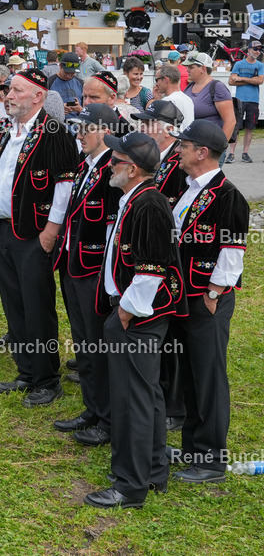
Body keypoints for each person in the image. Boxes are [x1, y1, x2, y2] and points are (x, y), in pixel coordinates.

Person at [84, 131, 185, 510]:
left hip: (137, 316)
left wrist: (125, 312)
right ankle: (154, 469)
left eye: (114, 161)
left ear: (131, 168)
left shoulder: (149, 205)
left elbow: (152, 268)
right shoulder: (135, 198)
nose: (109, 166)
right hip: (130, 311)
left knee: (132, 400)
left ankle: (130, 485)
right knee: (146, 395)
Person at [0, 69, 77, 407]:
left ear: (38, 97)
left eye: (16, 90)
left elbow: (64, 185)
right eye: (7, 90)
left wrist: (50, 231)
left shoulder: (54, 131)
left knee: (37, 307)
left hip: (34, 233)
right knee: (14, 305)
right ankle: (26, 370)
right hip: (4, 229)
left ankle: (47, 379)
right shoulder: (8, 130)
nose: (8, 95)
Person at [168, 120, 249, 484]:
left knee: (209, 378)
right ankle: (192, 448)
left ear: (202, 152)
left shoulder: (227, 195)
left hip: (206, 300)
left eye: (184, 145)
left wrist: (214, 293)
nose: (178, 150)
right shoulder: (189, 188)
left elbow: (232, 252)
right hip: (185, 296)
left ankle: (212, 459)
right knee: (189, 374)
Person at [52, 104, 123, 447]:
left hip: (94, 271)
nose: (78, 135)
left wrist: (110, 279)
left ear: (104, 132)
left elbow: (113, 230)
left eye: (85, 129)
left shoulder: (113, 169)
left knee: (98, 346)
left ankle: (108, 420)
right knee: (84, 343)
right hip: (72, 263)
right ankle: (92, 410)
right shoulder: (86, 164)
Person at [131, 99, 188, 431]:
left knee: (174, 335)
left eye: (148, 123)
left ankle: (175, 406)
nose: (142, 128)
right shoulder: (158, 159)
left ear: (167, 130)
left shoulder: (179, 160)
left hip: (173, 258)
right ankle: (166, 397)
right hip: (155, 254)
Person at [182, 52, 236, 163]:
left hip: (210, 149)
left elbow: (230, 121)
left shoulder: (217, 87)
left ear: (203, 68)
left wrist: (219, 147)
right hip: (193, 147)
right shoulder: (190, 86)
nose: (187, 70)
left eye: (191, 67)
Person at [228, 40, 263, 163]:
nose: (258, 51)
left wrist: (241, 78)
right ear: (248, 50)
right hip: (240, 100)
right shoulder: (238, 64)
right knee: (236, 127)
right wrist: (251, 79)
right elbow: (231, 81)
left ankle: (245, 153)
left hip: (253, 100)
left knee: (250, 127)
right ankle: (231, 154)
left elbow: (260, 81)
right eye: (255, 49)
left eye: (259, 49)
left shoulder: (260, 65)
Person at [152, 64, 195, 131]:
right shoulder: (188, 99)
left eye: (157, 80)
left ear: (165, 79)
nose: (156, 84)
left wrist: (157, 101)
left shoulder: (168, 101)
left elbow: (159, 128)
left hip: (173, 139)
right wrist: (158, 100)